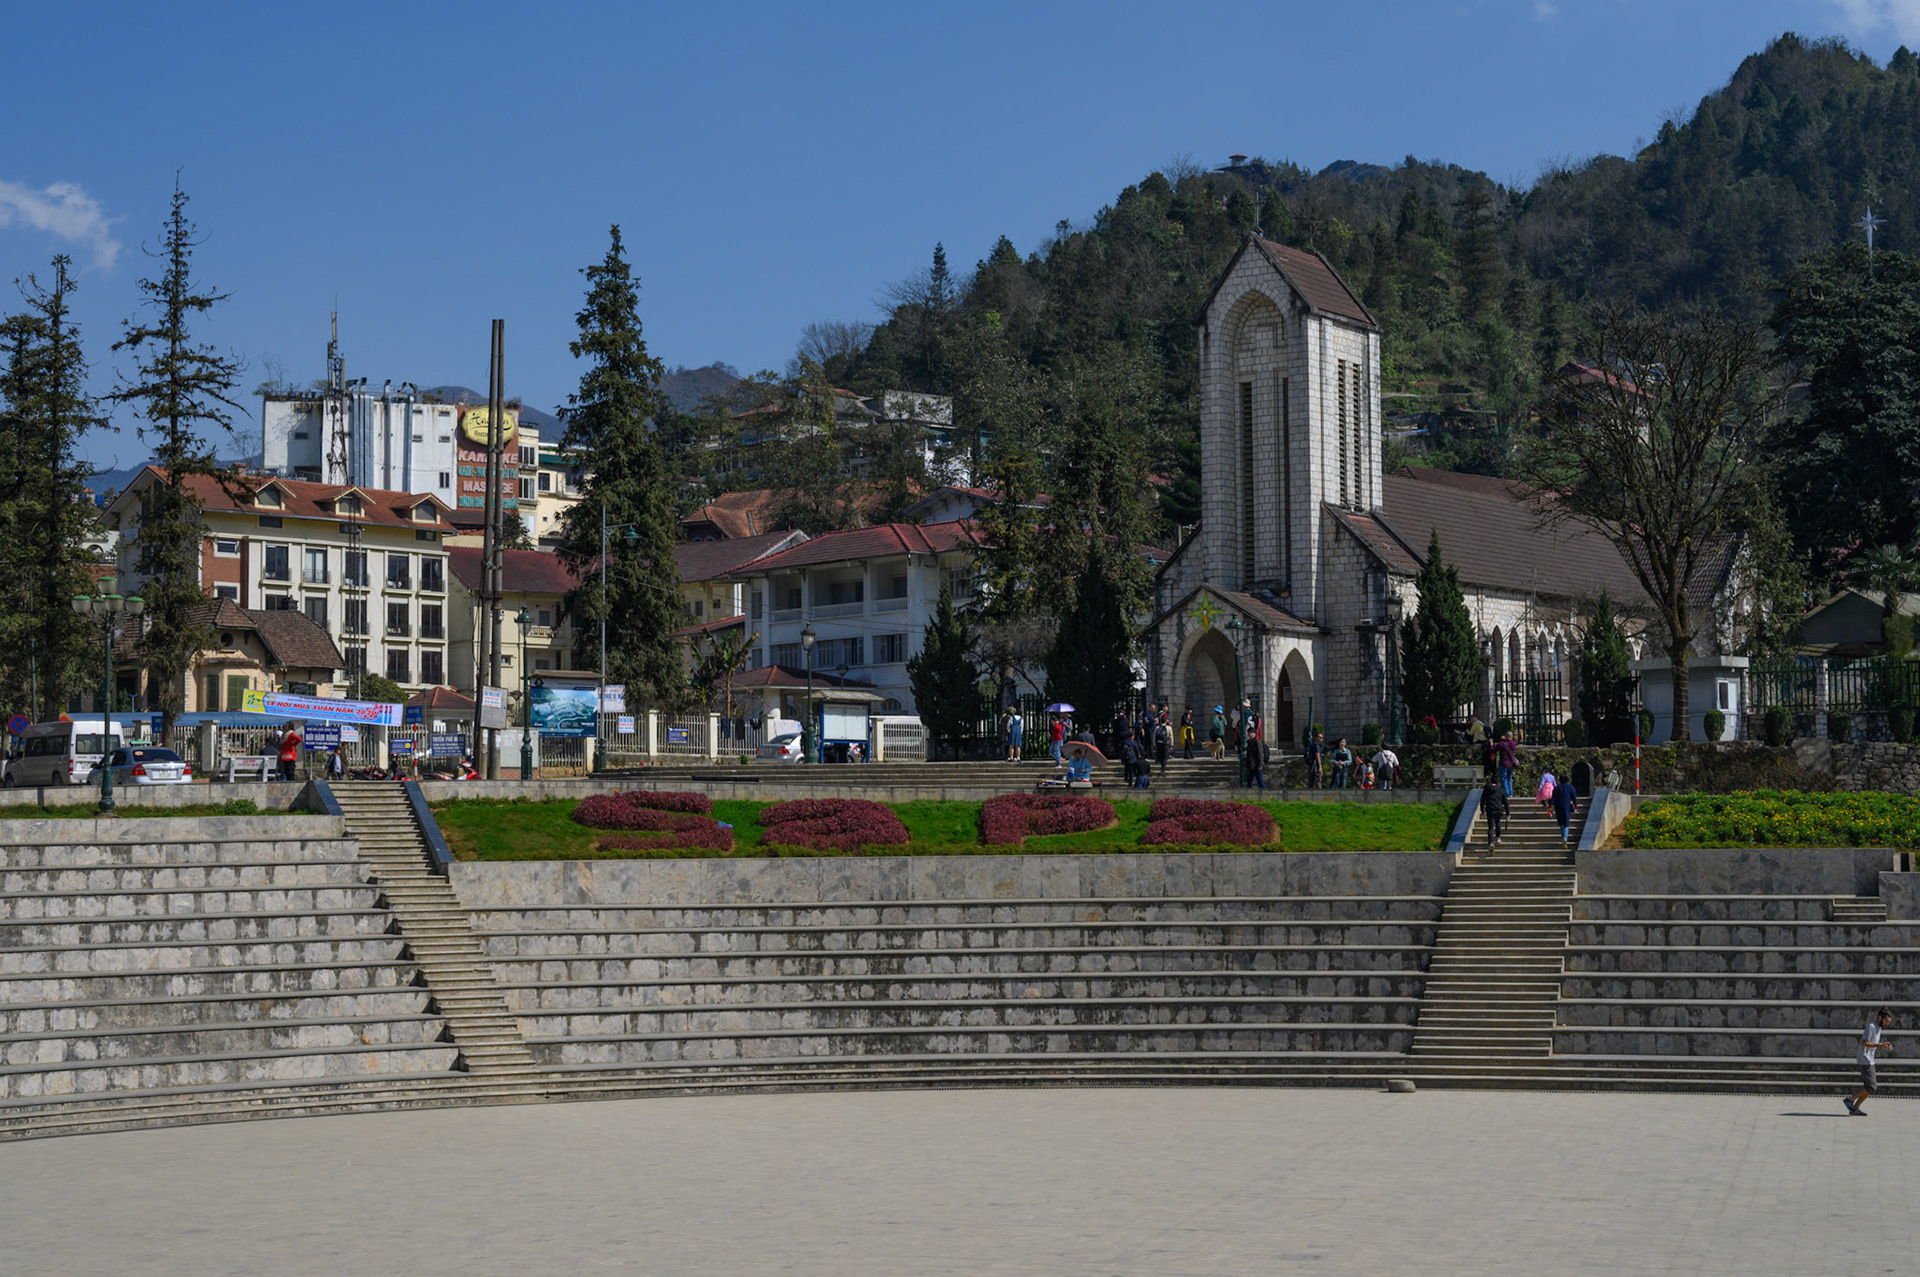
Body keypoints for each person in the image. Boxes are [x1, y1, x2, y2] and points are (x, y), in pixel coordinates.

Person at [1847, 1007, 1896, 1115]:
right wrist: (1880, 1045)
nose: (1887, 1024)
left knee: (1869, 1088)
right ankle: (1850, 1100)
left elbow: (1873, 1043)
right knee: (1872, 1086)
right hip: (1865, 1060)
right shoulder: (1871, 1027)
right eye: (1886, 1021)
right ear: (1880, 1018)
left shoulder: (1879, 1028)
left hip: (1869, 1060)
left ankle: (1854, 1108)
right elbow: (1864, 1043)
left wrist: (1884, 1045)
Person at [1481, 775, 1508, 846]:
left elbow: (1482, 800)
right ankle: (1498, 837)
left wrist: (1482, 810)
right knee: (1498, 822)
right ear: (1497, 782)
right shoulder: (1501, 790)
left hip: (1490, 809)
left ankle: (1490, 842)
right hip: (1499, 809)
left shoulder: (1487, 789)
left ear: (1490, 781)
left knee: (1490, 826)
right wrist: (1508, 813)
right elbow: (1505, 802)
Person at [1551, 771, 1578, 845]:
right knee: (1566, 822)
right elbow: (1574, 798)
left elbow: (1552, 799)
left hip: (1558, 806)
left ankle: (1563, 836)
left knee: (1561, 822)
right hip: (1566, 806)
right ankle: (1565, 838)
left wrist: (1550, 808)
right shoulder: (1571, 787)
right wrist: (1575, 806)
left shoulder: (1556, 788)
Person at [1493, 730, 1519, 797]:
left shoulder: (1502, 744)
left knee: (1504, 779)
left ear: (1505, 736)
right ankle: (1510, 793)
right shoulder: (1514, 743)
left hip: (1503, 763)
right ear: (1512, 736)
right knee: (1509, 778)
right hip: (1511, 764)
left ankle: (1506, 794)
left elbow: (1494, 749)